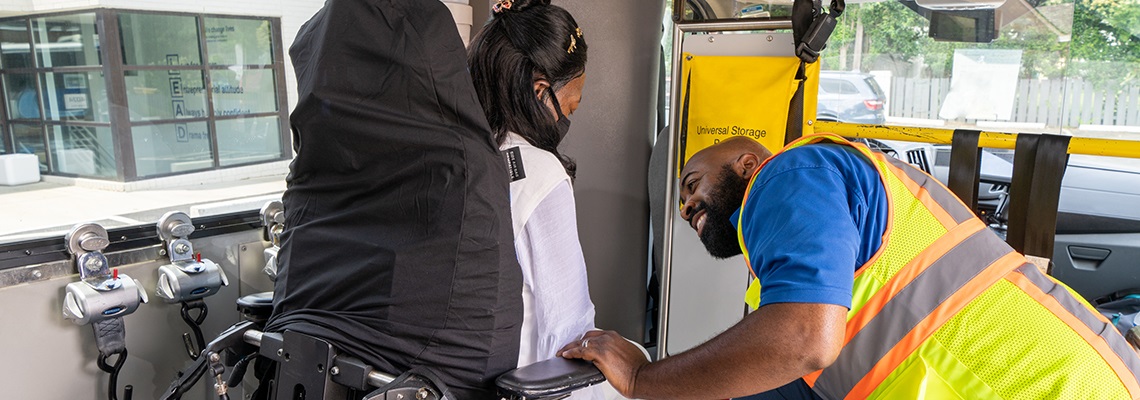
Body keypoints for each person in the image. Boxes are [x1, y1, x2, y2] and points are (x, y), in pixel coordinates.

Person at [562, 133, 1140, 399]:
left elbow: (802, 340)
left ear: (746, 164)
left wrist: (643, 381)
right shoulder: (794, 284)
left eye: (691, 185)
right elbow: (787, 372)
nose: (686, 205)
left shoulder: (787, 175)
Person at [265, 0, 523, 398]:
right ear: (440, 67)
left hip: (301, 355)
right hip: (430, 369)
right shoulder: (470, 167)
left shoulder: (316, 164)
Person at [468, 0, 600, 374]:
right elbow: (568, 331)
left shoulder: (455, 157)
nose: (567, 119)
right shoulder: (540, 173)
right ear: (539, 90)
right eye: (569, 108)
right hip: (523, 378)